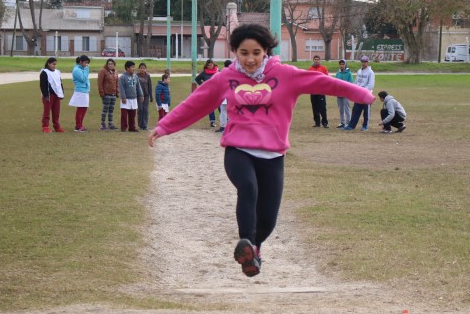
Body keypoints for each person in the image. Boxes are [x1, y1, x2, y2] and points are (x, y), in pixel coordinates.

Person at [149, 23, 374, 277]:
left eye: (256, 52)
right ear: (235, 52)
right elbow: (197, 102)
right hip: (238, 150)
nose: (250, 59)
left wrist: (362, 94)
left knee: (268, 219)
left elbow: (325, 83)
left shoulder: (286, 74)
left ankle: (253, 251)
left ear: (266, 50)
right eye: (243, 53)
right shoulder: (226, 78)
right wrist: (165, 126)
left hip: (273, 155)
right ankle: (245, 242)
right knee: (248, 188)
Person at [342, 55, 375, 131]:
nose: (363, 63)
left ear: (367, 62)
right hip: (358, 95)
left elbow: (371, 85)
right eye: (362, 61)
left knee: (366, 112)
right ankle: (351, 126)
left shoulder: (370, 72)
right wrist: (355, 89)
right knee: (355, 110)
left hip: (366, 95)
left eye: (365, 62)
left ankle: (365, 126)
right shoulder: (359, 71)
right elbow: (356, 82)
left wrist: (363, 91)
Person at [39, 57, 65, 133]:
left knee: (56, 112)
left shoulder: (57, 72)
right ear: (48, 64)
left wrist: (61, 93)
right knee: (47, 112)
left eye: (55, 64)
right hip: (49, 95)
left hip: (57, 95)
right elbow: (42, 85)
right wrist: (46, 95)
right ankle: (45, 126)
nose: (55, 66)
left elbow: (60, 83)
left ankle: (57, 127)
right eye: (53, 64)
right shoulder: (44, 72)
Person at [68, 55, 91, 132]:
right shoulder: (76, 70)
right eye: (85, 62)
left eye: (87, 63)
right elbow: (83, 79)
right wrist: (87, 70)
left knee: (84, 108)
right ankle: (78, 126)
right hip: (80, 91)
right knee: (80, 108)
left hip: (85, 90)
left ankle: (80, 125)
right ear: (80, 62)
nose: (86, 64)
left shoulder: (83, 69)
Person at [119, 60, 143, 132]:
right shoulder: (123, 77)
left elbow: (138, 86)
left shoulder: (135, 76)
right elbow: (121, 88)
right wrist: (123, 97)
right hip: (126, 98)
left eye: (134, 67)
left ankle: (132, 127)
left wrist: (141, 95)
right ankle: (123, 127)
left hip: (133, 98)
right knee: (124, 114)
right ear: (127, 68)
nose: (133, 68)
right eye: (132, 67)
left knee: (132, 114)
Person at [195, 58, 220, 127]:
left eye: (211, 65)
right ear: (206, 66)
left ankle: (224, 121)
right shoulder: (204, 72)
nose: (210, 66)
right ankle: (212, 121)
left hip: (218, 92)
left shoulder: (218, 71)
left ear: (213, 65)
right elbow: (197, 79)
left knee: (220, 107)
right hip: (209, 93)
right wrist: (203, 85)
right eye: (208, 65)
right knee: (211, 107)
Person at [308, 55, 330, 128]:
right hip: (313, 91)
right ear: (313, 60)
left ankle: (324, 122)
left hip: (321, 91)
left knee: (322, 107)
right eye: (315, 59)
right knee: (315, 107)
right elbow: (308, 79)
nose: (316, 60)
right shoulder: (310, 69)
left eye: (318, 59)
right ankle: (317, 122)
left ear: (320, 60)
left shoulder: (323, 68)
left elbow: (327, 78)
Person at [97, 58, 119, 130]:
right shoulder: (103, 71)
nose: (110, 65)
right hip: (106, 94)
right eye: (109, 64)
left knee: (111, 110)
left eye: (111, 64)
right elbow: (100, 83)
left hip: (113, 94)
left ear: (114, 64)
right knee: (105, 109)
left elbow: (117, 82)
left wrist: (117, 92)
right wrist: (101, 92)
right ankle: (102, 124)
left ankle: (110, 124)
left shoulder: (115, 72)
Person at [215, 59, 232, 133]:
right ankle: (231, 127)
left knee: (223, 111)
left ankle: (223, 126)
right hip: (232, 95)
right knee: (231, 112)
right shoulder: (235, 73)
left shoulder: (222, 73)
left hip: (224, 95)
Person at [334, 59, 353, 128]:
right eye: (340, 64)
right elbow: (335, 83)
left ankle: (348, 122)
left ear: (345, 65)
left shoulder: (349, 73)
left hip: (346, 94)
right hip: (339, 94)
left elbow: (350, 83)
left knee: (347, 108)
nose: (341, 65)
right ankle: (342, 122)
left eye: (343, 64)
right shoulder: (338, 73)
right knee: (341, 109)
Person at [137, 62, 153, 130]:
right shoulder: (136, 76)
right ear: (139, 69)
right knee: (140, 109)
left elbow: (150, 86)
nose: (142, 69)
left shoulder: (148, 76)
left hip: (146, 96)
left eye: (144, 68)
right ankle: (140, 125)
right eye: (141, 68)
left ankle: (145, 124)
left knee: (145, 110)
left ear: (146, 69)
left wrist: (151, 96)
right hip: (139, 96)